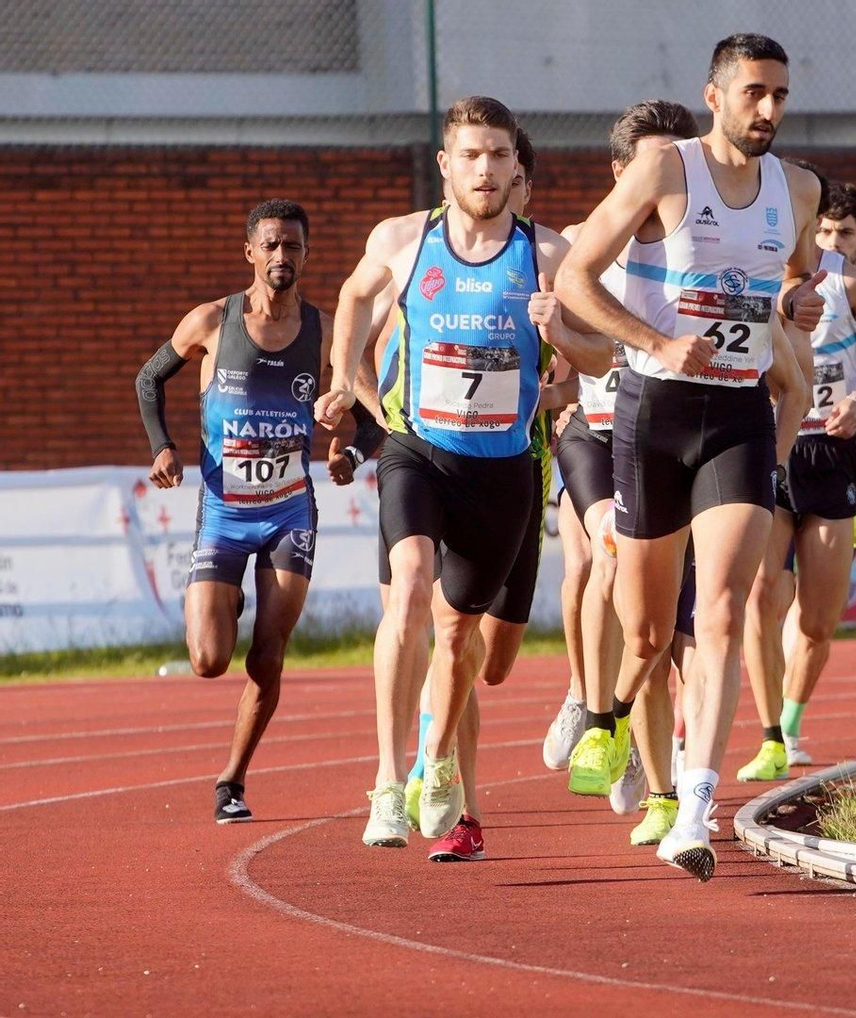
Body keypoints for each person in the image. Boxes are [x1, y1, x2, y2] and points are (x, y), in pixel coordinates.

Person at [556, 34, 822, 880]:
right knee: (643, 630)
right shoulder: (666, 171)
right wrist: (656, 344)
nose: (769, 110)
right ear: (715, 96)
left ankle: (697, 811)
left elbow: (795, 276)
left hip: (738, 413)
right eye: (754, 93)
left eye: (780, 94)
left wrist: (797, 298)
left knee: (720, 615)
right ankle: (604, 714)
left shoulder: (800, 188)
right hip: (650, 411)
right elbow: (576, 279)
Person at [316, 95, 612, 848]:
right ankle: (387, 781)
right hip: (416, 451)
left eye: (499, 155)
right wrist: (345, 378)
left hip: (503, 468)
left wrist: (560, 329)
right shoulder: (404, 240)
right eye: (471, 155)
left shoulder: (547, 255)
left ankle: (438, 759)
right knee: (408, 589)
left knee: (460, 640)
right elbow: (351, 296)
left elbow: (603, 357)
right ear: (446, 165)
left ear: (517, 167)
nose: (485, 169)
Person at [136, 199, 384, 823]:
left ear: (306, 254)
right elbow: (148, 379)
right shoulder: (213, 323)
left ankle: (232, 781)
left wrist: (352, 453)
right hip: (223, 511)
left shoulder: (327, 334)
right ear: (250, 252)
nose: (282, 257)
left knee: (267, 654)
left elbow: (379, 417)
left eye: (293, 246)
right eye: (271, 245)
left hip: (288, 514)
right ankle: (229, 595)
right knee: (208, 661)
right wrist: (162, 447)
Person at [737, 174, 856, 781]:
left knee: (815, 619)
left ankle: (790, 717)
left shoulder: (849, 282)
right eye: (821, 227)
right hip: (775, 447)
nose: (828, 238)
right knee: (763, 595)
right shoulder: (757, 272)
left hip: (833, 454)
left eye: (841, 231)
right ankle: (768, 737)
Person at [555, 100, 702, 810]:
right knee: (604, 557)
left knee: (669, 621)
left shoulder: (697, 241)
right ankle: (590, 708)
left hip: (668, 432)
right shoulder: (577, 245)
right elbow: (562, 347)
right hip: (597, 429)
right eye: (655, 161)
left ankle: (639, 738)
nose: (670, 175)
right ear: (621, 171)